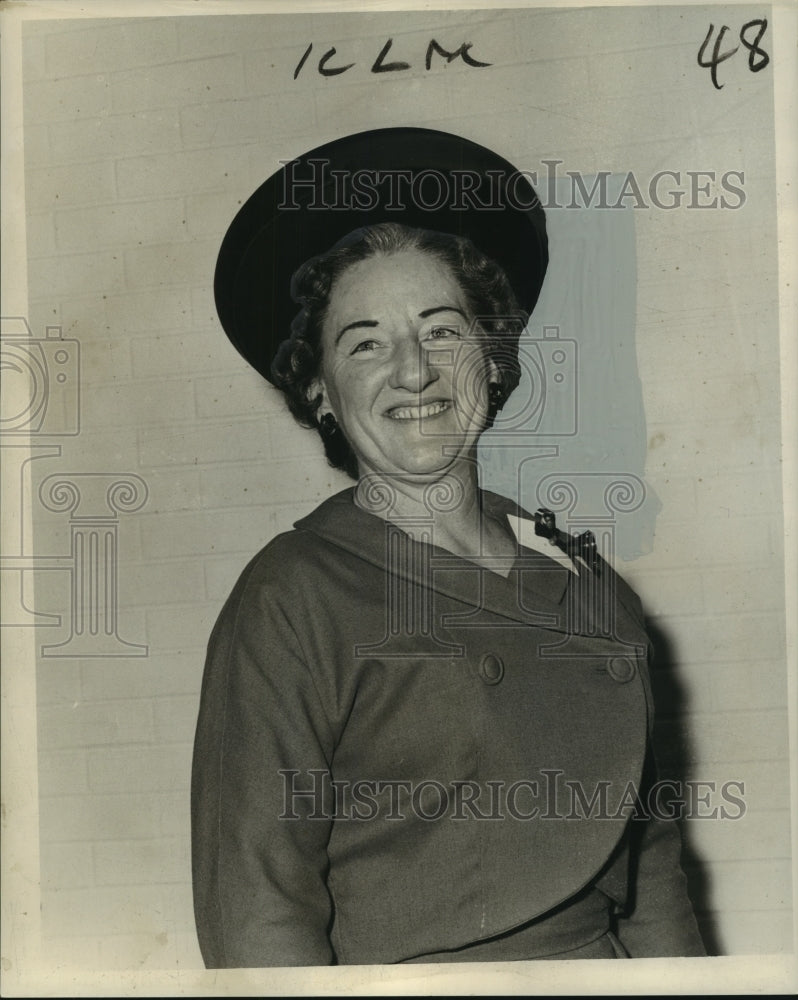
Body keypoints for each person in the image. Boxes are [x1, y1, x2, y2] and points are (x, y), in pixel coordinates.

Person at [191, 128, 706, 967]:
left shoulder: (583, 580)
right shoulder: (289, 597)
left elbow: (652, 875)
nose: (414, 371)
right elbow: (257, 912)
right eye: (365, 343)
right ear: (319, 389)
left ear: (492, 361)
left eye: (442, 331)